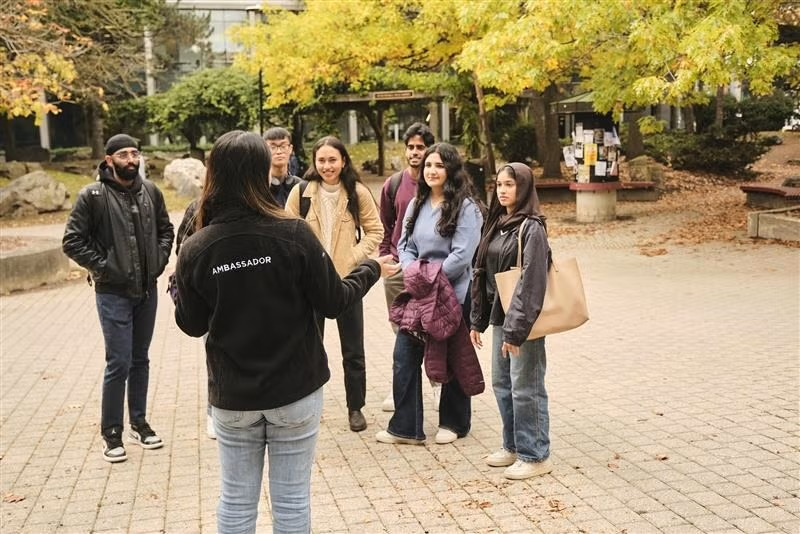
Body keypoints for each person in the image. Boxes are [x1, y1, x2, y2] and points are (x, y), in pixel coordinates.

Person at [173, 130, 398, 533]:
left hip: (234, 394)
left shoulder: (199, 246)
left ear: (213, 174)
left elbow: (191, 323)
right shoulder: (293, 233)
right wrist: (371, 269)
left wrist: (179, 287)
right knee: (292, 503)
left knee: (236, 501)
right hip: (295, 389)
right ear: (263, 171)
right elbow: (333, 301)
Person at [175, 126, 302, 440]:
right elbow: (183, 256)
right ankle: (213, 409)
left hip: (270, 309)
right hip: (219, 308)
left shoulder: (290, 199)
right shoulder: (199, 210)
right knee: (218, 355)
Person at [62, 133, 174, 463]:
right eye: (123, 154)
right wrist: (105, 267)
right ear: (109, 160)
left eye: (134, 153)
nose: (131, 159)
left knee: (140, 358)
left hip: (147, 291)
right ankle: (112, 432)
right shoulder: (92, 196)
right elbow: (72, 241)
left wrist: (159, 259)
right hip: (113, 293)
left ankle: (139, 423)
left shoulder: (150, 192)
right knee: (119, 361)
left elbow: (166, 230)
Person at [376, 142, 484, 446]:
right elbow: (405, 245)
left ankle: (455, 422)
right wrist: (413, 274)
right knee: (404, 356)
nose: (432, 171)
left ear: (450, 169)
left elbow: (462, 256)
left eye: (438, 165)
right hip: (419, 290)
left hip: (452, 293)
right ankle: (406, 427)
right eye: (427, 166)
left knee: (452, 356)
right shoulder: (416, 204)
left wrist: (429, 279)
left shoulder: (466, 207)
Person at [285, 136, 383, 433]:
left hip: (347, 283)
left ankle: (356, 407)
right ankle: (306, 406)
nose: (327, 166)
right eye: (322, 160)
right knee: (308, 348)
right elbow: (288, 233)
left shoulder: (357, 193)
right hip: (310, 284)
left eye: (333, 160)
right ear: (314, 162)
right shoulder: (300, 193)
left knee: (353, 351)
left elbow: (375, 231)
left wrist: (353, 256)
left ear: (343, 161)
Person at [469, 162, 553, 480]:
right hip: (500, 317)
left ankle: (536, 454)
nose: (502, 190)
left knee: (526, 386)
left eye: (510, 184)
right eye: (499, 184)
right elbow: (481, 274)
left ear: (525, 187)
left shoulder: (532, 227)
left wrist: (516, 330)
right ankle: (514, 446)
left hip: (523, 321)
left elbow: (532, 283)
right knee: (503, 383)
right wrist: (476, 319)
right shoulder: (498, 222)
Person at [378, 122, 440, 413]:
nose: (415, 153)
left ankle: (437, 386)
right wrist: (385, 259)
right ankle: (403, 389)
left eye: (421, 147)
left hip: (427, 270)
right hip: (397, 269)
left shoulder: (438, 185)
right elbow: (385, 224)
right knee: (401, 331)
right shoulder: (393, 185)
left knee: (429, 328)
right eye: (411, 147)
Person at [264, 127, 302, 207]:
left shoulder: (300, 186)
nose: (279, 152)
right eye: (273, 147)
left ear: (290, 149)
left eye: (283, 146)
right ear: (265, 150)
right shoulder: (259, 188)